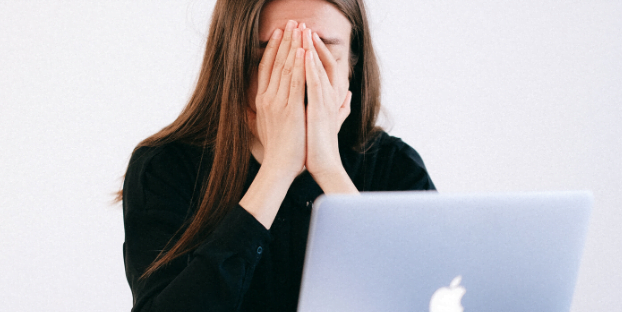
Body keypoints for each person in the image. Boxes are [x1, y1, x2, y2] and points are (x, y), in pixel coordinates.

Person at [117, 0, 435, 311]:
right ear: (234, 65)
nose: (300, 75)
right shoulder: (164, 167)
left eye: (322, 54)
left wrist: (329, 170)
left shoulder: (396, 166)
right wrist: (277, 170)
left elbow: (425, 299)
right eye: (274, 55)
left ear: (352, 65)